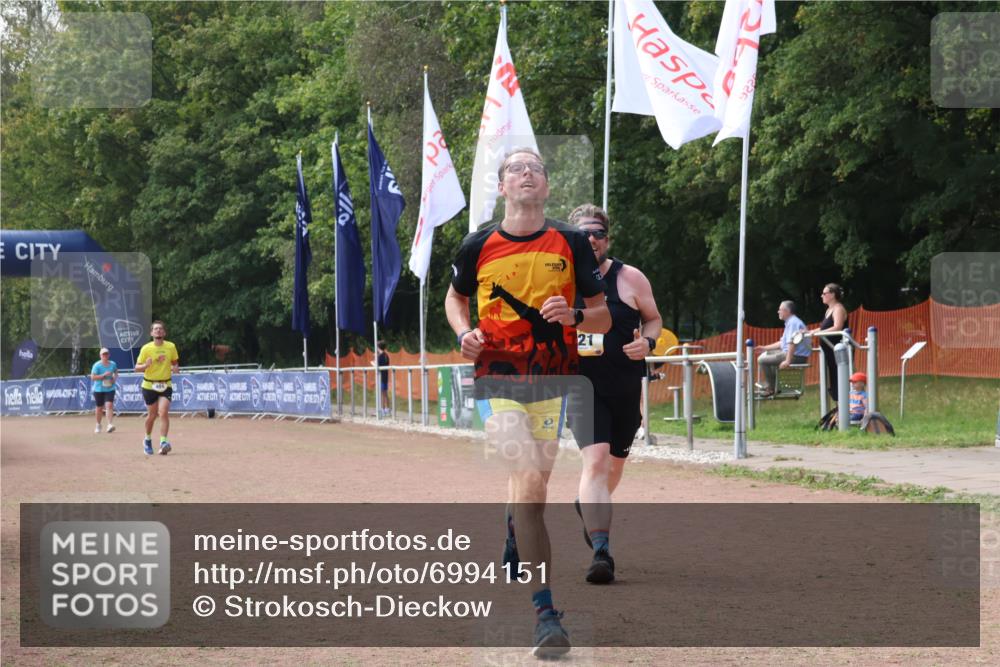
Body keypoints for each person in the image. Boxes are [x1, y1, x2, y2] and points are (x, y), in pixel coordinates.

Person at [444, 148, 610, 658]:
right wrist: (465, 332)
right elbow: (455, 298)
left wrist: (575, 315)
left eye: (535, 167)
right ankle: (545, 613)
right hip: (496, 380)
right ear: (502, 187)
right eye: (516, 168)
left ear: (546, 186)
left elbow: (602, 317)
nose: (526, 172)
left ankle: (516, 525)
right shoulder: (478, 244)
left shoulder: (573, 242)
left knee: (532, 493)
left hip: (552, 383)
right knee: (526, 474)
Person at [567, 204, 662, 586]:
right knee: (597, 461)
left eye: (598, 233)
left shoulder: (631, 279)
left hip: (625, 388)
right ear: (571, 240)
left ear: (608, 239)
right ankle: (601, 551)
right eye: (583, 234)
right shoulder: (561, 282)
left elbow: (652, 318)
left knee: (612, 467)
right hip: (582, 387)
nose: (591, 239)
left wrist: (649, 343)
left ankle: (588, 505)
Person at [135, 320, 179, 456]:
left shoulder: (171, 346)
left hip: (166, 384)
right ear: (151, 333)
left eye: (160, 329)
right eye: (155, 329)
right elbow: (137, 368)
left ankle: (163, 442)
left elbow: (175, 363)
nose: (158, 331)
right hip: (149, 385)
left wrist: (175, 368)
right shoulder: (146, 348)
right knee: (152, 415)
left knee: (163, 412)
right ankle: (147, 439)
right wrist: (145, 365)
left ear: (164, 332)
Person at [755, 300, 810, 397]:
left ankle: (772, 387)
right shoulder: (791, 322)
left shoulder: (793, 323)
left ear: (787, 311)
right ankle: (775, 384)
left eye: (780, 309)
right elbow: (782, 343)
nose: (778, 312)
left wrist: (787, 361)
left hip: (795, 356)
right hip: (792, 353)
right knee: (766, 354)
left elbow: (792, 342)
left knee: (761, 360)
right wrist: (764, 348)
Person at [813, 283, 848, 400]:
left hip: (837, 349)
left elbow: (837, 326)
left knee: (840, 380)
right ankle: (839, 410)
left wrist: (818, 333)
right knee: (833, 380)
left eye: (824, 293)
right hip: (829, 351)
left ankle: (845, 409)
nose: (822, 296)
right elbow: (824, 328)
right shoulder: (829, 310)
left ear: (832, 295)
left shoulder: (838, 308)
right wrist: (810, 332)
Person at [89, 347, 119, 433]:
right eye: (103, 354)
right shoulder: (97, 365)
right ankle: (98, 425)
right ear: (100, 356)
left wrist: (114, 378)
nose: (105, 356)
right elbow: (93, 377)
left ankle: (109, 424)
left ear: (109, 355)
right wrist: (103, 375)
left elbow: (116, 372)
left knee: (109, 405)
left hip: (110, 388)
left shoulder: (113, 364)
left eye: (106, 354)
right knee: (99, 408)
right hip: (99, 389)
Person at [377, 342, 390, 417]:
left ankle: (385, 409)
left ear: (379, 347)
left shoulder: (382, 356)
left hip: (382, 376)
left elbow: (379, 365)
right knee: (384, 393)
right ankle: (384, 408)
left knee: (383, 393)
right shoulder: (385, 355)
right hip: (384, 376)